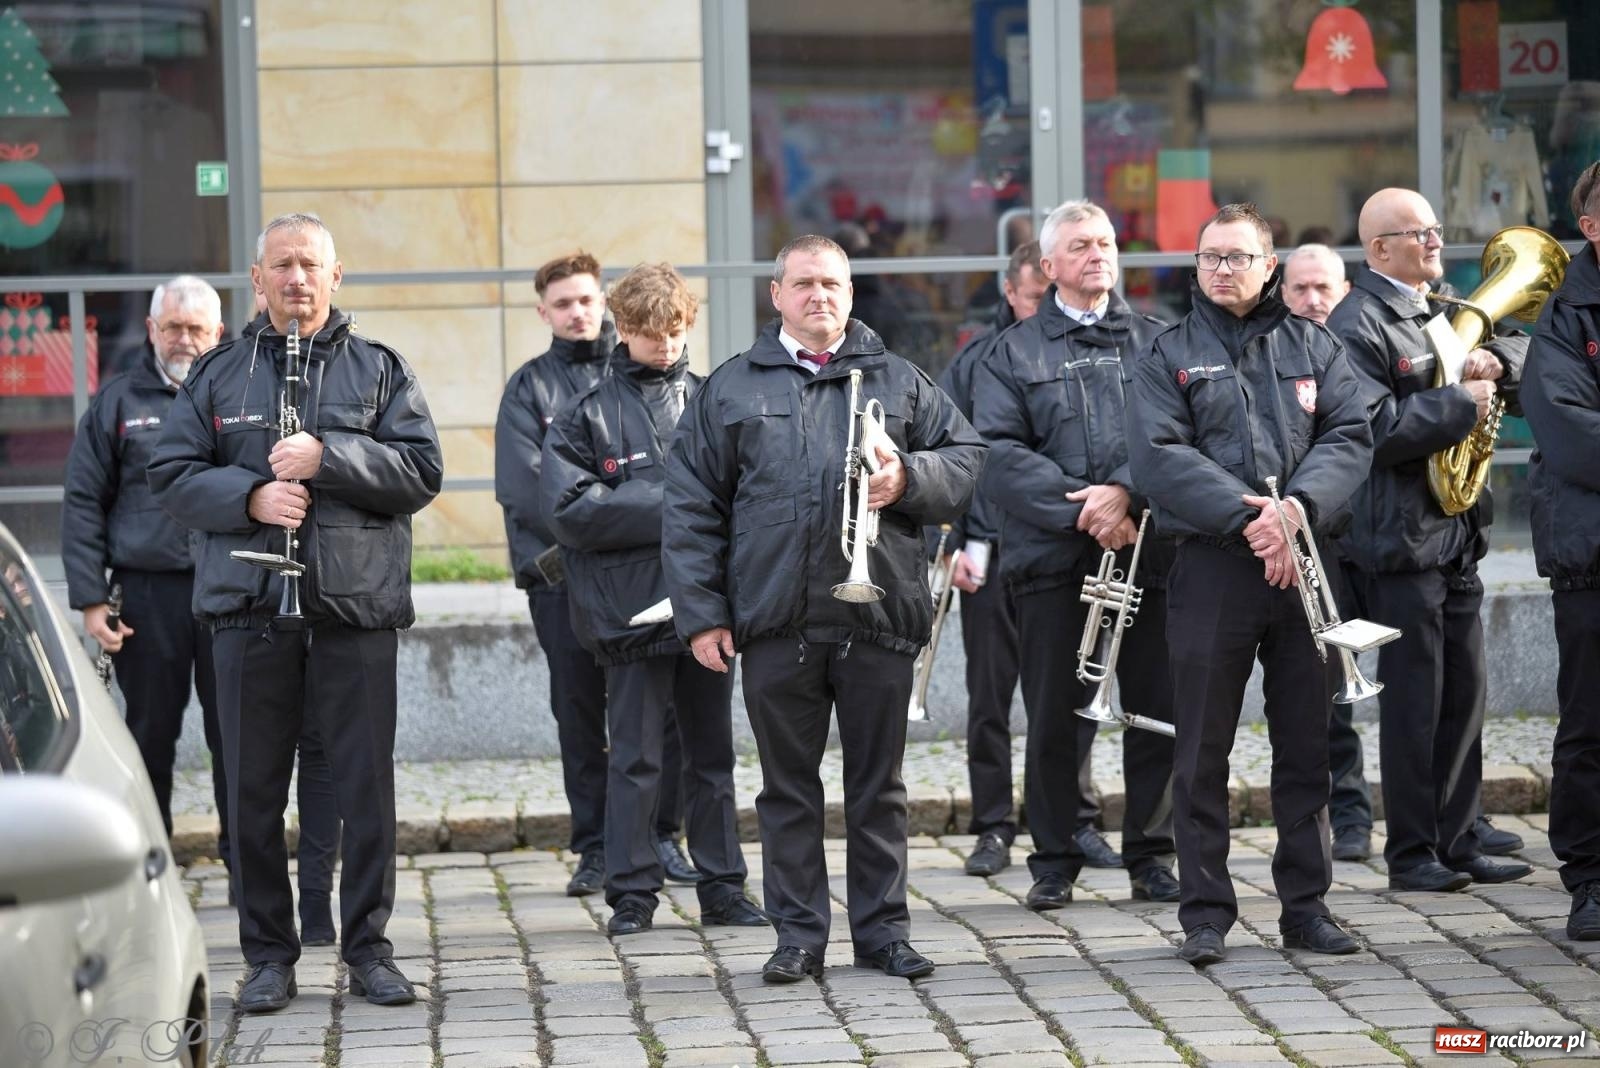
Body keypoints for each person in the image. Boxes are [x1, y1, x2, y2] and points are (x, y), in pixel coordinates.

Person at [664, 235, 984, 983]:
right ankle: (798, 936)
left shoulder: (899, 380)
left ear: (850, 292)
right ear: (776, 294)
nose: (819, 296)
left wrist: (909, 479)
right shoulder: (730, 388)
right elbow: (690, 507)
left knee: (880, 788)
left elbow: (967, 461)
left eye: (832, 284)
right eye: (804, 283)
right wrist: (703, 613)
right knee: (786, 789)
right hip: (776, 618)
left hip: (878, 615)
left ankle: (883, 934)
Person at [150, 212, 442, 1013]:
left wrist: (329, 457)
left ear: (335, 276)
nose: (296, 279)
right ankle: (268, 957)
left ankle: (369, 949)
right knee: (250, 794)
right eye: (282, 265)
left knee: (365, 791)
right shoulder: (218, 374)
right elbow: (170, 475)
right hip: (249, 612)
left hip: (353, 611)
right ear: (257, 280)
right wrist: (250, 496)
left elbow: (422, 471)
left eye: (310, 265)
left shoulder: (380, 369)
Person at [1128, 203, 1373, 966]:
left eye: (1237, 257)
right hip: (1211, 567)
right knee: (1201, 749)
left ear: (1270, 266)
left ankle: (1307, 908)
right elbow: (1159, 456)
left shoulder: (1316, 345)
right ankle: (1204, 915)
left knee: (1307, 743)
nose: (1222, 270)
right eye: (1210, 257)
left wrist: (1296, 512)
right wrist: (1255, 522)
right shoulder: (1165, 353)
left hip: (1304, 565)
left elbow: (1350, 434)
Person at [541, 263, 764, 938]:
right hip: (628, 610)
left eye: (675, 332)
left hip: (707, 606)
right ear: (624, 329)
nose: (665, 345)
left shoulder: (714, 401)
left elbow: (752, 495)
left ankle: (723, 888)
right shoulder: (585, 413)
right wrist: (681, 502)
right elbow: (569, 510)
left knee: (712, 755)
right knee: (635, 758)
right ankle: (632, 893)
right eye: (649, 334)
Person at [972, 201, 1180, 911]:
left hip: (1148, 552)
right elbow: (997, 454)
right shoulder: (1011, 352)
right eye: (1081, 245)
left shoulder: (1158, 341)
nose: (1098, 254)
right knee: (1056, 717)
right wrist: (1088, 511)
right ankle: (1055, 860)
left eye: (1106, 242)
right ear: (1049, 265)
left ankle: (1153, 855)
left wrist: (1126, 493)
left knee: (1155, 710)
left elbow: (1177, 435)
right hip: (1052, 562)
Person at [1326, 188, 1533, 893]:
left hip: (1455, 533)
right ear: (1380, 249)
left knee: (1464, 695)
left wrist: (1496, 362)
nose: (1436, 241)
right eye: (1420, 233)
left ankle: (1460, 835)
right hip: (1399, 542)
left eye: (1435, 229)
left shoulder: (1439, 305)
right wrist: (1456, 405)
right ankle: (1413, 853)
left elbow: (1520, 340)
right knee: (1416, 703)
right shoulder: (1356, 323)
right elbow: (1369, 429)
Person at [494, 252, 697, 895]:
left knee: (665, 716)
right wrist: (602, 533)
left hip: (649, 578)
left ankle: (661, 835)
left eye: (586, 299)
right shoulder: (530, 390)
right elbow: (532, 493)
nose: (577, 313)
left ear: (606, 303)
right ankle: (595, 846)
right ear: (543, 312)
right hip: (563, 583)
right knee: (579, 712)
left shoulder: (654, 371)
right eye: (563, 304)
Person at [934, 241, 1042, 878]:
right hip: (991, 552)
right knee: (989, 701)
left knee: (1068, 699)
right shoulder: (975, 361)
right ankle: (994, 825)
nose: (1043, 308)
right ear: (1009, 292)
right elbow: (943, 456)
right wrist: (950, 545)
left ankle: (1073, 822)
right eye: (1033, 297)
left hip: (1061, 549)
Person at [1521, 159, 1600, 941]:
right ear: (1591, 227)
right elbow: (1572, 436)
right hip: (1593, 556)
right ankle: (1590, 877)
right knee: (1591, 723)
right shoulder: (1563, 317)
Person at [1279, 245, 1375, 863]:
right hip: (1301, 542)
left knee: (1353, 685)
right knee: (1322, 694)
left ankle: (1361, 815)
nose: (1313, 300)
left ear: (1344, 291)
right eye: (1301, 289)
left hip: (1366, 542)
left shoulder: (1354, 347)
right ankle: (1343, 817)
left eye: (1324, 288)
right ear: (1282, 293)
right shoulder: (1277, 352)